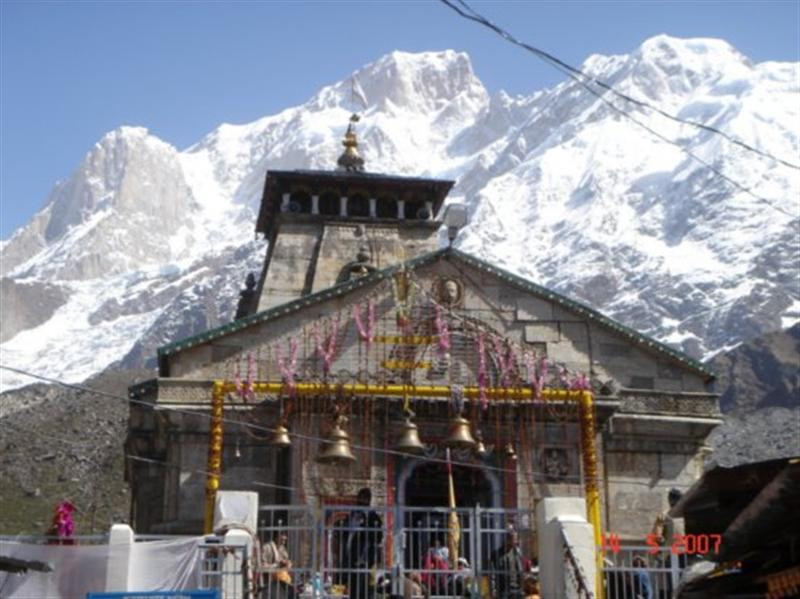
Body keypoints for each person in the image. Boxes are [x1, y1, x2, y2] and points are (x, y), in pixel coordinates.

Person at [342, 488, 384, 599]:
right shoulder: (352, 515)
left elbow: (378, 538)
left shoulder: (374, 518)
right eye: (359, 499)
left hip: (366, 560)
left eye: (363, 499)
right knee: (353, 590)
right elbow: (345, 535)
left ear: (368, 501)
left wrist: (363, 527)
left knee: (366, 591)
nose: (360, 502)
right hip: (351, 559)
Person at [490, 530, 530, 599]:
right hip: (503, 590)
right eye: (514, 539)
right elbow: (492, 573)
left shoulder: (517, 552)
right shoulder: (497, 554)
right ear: (507, 540)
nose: (516, 542)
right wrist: (493, 589)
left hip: (517, 589)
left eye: (516, 539)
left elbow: (521, 569)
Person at [261, 531, 295, 599]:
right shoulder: (266, 547)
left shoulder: (282, 549)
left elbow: (286, 562)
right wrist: (277, 566)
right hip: (269, 583)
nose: (285, 538)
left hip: (282, 583)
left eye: (285, 536)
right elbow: (262, 565)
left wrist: (287, 564)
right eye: (283, 535)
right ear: (277, 536)